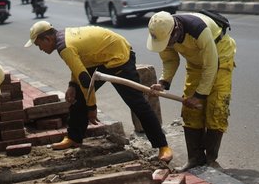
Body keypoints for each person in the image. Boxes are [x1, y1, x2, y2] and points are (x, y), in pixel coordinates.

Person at [24, 21, 173, 163]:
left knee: (137, 103)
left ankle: (163, 146)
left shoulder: (64, 46)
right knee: (77, 96)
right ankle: (74, 137)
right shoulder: (61, 41)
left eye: (39, 44)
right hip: (99, 58)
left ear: (48, 38)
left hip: (118, 57)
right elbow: (79, 66)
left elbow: (85, 81)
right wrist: (71, 85)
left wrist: (92, 108)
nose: (40, 49)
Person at [147, 11, 236, 171]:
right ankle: (195, 158)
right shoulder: (163, 35)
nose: (166, 46)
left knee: (216, 108)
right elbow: (169, 60)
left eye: (168, 42)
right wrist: (162, 82)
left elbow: (211, 65)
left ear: (175, 31)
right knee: (190, 110)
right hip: (195, 63)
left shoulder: (198, 29)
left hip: (220, 57)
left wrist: (199, 96)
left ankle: (210, 160)